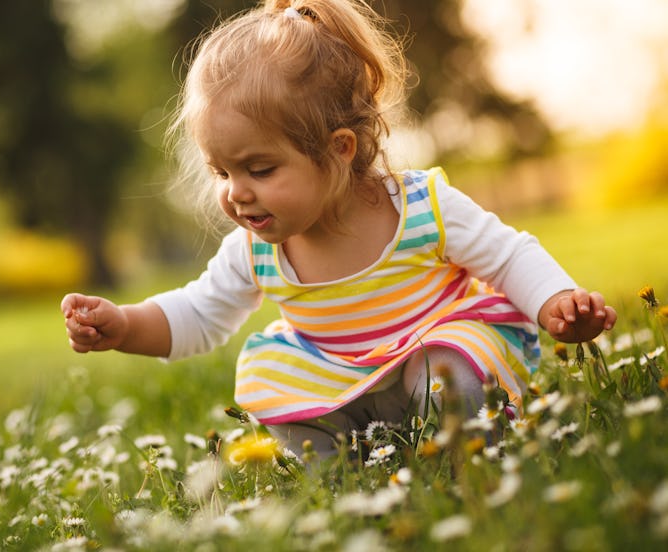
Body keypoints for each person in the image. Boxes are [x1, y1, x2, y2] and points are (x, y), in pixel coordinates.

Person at [61, 0, 617, 459]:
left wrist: (556, 301)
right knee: (275, 377)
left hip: (436, 352)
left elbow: (508, 256)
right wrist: (125, 325)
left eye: (259, 169)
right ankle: (338, 470)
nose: (236, 191)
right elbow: (199, 313)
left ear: (338, 151)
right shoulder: (255, 249)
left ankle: (469, 449)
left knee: (445, 370)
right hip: (346, 386)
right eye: (220, 172)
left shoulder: (420, 208)